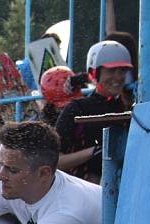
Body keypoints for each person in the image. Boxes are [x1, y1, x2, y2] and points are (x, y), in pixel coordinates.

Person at [55, 40, 134, 183]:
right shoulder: (76, 109)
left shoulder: (129, 105)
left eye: (122, 70)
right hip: (85, 190)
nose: (118, 77)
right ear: (95, 72)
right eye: (111, 70)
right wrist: (95, 152)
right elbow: (54, 161)